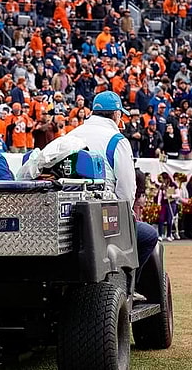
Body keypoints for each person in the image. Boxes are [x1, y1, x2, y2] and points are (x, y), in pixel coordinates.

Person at [65, 91, 159, 297]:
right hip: (104, 214)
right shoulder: (117, 140)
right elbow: (126, 187)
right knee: (148, 235)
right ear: (116, 114)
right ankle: (128, 288)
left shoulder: (72, 134)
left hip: (69, 213)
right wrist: (128, 215)